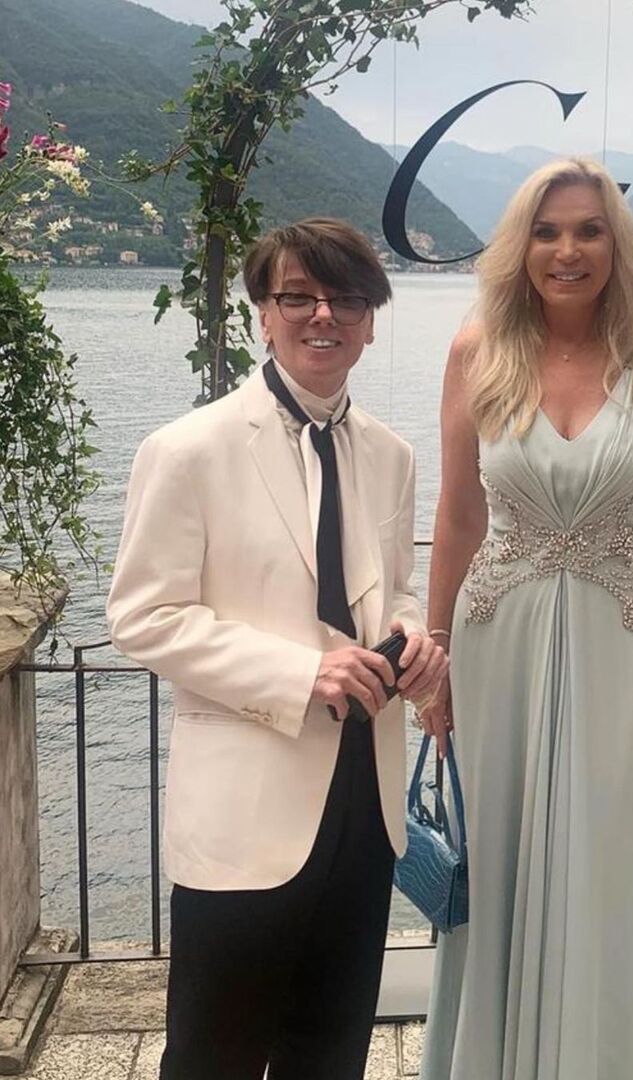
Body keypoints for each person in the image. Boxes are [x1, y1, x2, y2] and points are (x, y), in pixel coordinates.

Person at [106, 217, 448, 1080]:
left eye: (347, 299)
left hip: (366, 804)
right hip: (244, 811)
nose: (323, 315)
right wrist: (301, 673)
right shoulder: (188, 450)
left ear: (370, 321)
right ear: (263, 313)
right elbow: (143, 616)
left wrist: (414, 639)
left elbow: (394, 588)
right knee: (212, 1057)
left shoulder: (393, 455)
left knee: (330, 1052)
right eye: (299, 296)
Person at [418, 158, 633, 1080]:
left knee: (610, 859)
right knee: (496, 857)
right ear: (521, 246)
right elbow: (458, 515)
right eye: (546, 232)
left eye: (587, 231)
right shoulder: (478, 351)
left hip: (621, 644)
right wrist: (434, 660)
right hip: (497, 638)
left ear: (617, 247)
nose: (566, 250)